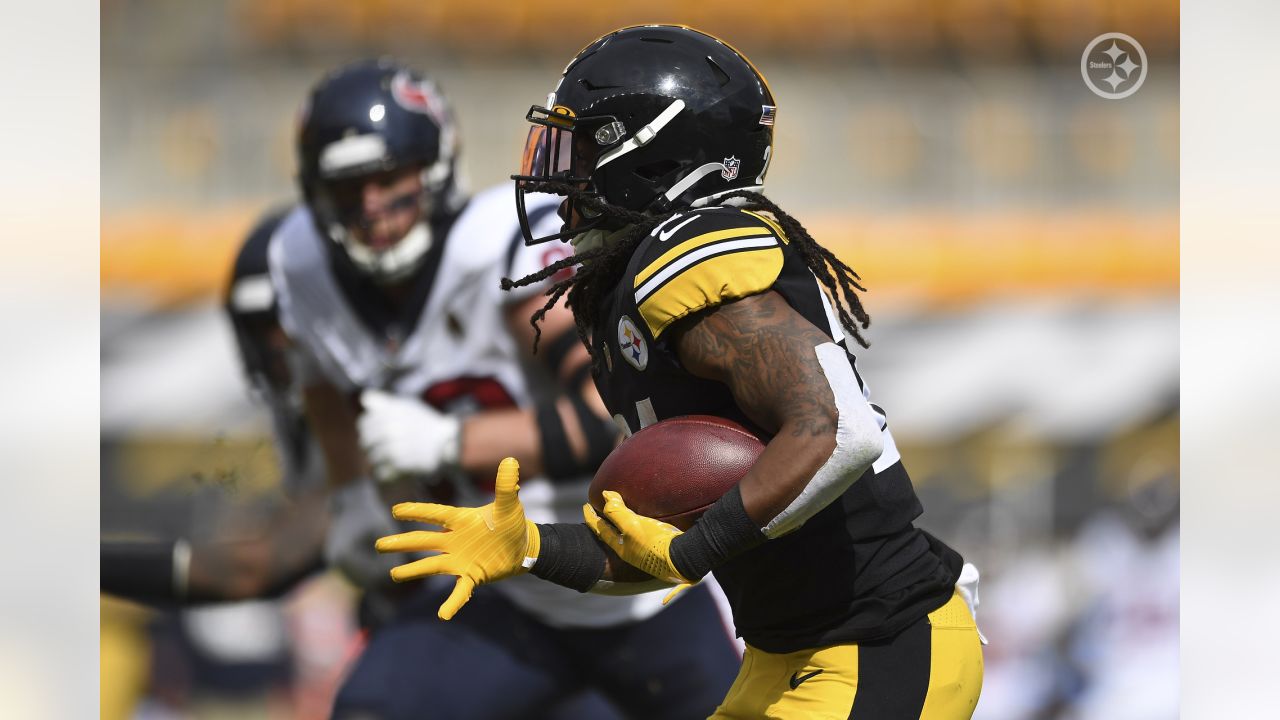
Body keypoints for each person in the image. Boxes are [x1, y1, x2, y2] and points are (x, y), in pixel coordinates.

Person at [376, 25, 985, 719]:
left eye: (580, 146)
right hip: (786, 654)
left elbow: (837, 430)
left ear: (646, 152)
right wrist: (527, 547)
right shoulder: (619, 296)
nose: (557, 175)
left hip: (884, 638)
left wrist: (698, 548)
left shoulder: (689, 255)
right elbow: (652, 549)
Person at [269, 58, 740, 720]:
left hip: (640, 586)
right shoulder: (303, 265)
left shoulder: (499, 246)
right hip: (507, 591)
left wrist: (450, 444)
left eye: (387, 179)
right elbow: (322, 375)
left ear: (433, 168)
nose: (371, 208)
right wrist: (350, 494)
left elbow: (607, 416)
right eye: (349, 189)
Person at [101, 208, 328, 606]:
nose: (280, 350)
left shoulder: (391, 411)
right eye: (264, 330)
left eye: (295, 330)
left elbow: (256, 567)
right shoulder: (314, 414)